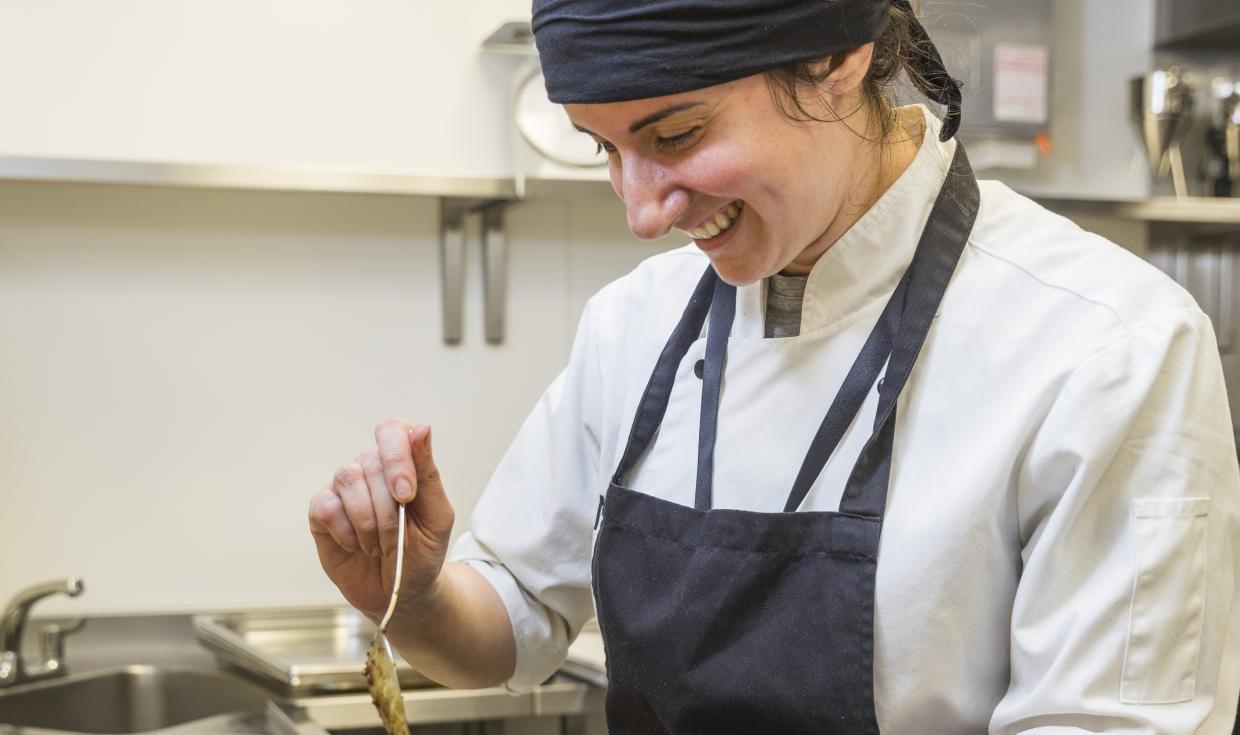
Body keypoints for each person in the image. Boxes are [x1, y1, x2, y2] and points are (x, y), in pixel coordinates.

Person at [308, 0, 1240, 731]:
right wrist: (415, 596)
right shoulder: (634, 325)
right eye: (605, 149)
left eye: (675, 136)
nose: (641, 212)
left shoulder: (1105, 349)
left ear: (837, 59)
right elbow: (514, 619)